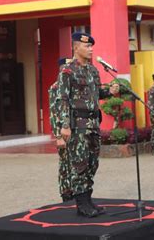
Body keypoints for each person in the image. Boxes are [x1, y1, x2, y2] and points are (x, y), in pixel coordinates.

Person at [57, 32, 112, 218]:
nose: (91, 49)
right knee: (79, 164)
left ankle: (88, 200)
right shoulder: (67, 71)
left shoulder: (92, 70)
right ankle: (81, 204)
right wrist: (64, 125)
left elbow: (97, 94)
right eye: (87, 46)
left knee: (92, 164)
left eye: (91, 46)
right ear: (75, 47)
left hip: (93, 123)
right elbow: (62, 99)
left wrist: (109, 91)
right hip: (78, 124)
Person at [48, 58, 73, 202]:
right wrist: (58, 136)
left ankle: (77, 191)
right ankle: (66, 192)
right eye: (65, 67)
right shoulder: (55, 88)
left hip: (75, 130)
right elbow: (53, 113)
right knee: (65, 163)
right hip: (63, 133)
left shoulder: (72, 88)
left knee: (77, 163)